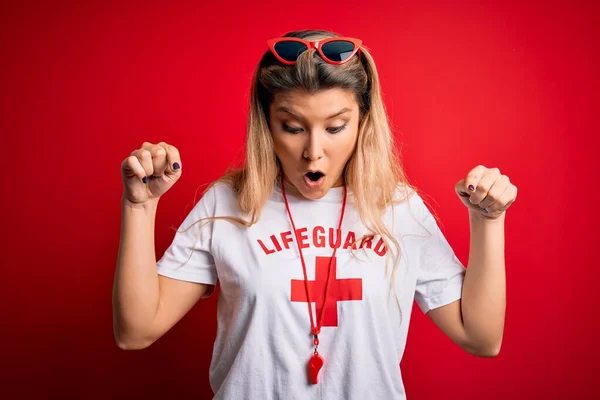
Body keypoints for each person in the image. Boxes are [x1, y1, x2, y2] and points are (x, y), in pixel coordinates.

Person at [113, 29, 511, 400]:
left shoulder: (399, 208)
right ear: (266, 125)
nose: (313, 151)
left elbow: (481, 337)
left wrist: (488, 221)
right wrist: (139, 205)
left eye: (335, 127)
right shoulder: (226, 203)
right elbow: (135, 331)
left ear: (363, 123)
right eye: (292, 126)